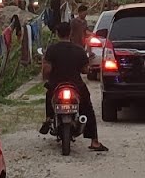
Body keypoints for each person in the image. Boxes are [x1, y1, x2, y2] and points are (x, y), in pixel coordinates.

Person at [39, 20, 108, 151]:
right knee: (88, 109)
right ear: (70, 33)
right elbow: (85, 70)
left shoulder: (51, 49)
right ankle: (94, 141)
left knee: (49, 94)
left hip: (56, 84)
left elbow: (46, 70)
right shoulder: (79, 50)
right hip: (76, 85)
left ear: (57, 33)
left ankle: (48, 119)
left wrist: (47, 76)